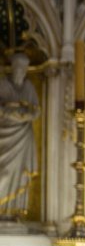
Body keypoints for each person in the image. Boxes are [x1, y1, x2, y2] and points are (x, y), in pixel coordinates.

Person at [0, 53, 40, 220]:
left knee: (20, 172)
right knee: (4, 172)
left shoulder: (29, 87)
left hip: (23, 136)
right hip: (6, 135)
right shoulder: (3, 84)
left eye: (24, 69)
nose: (20, 72)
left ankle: (14, 211)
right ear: (12, 68)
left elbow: (36, 111)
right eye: (18, 68)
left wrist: (25, 115)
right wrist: (13, 112)